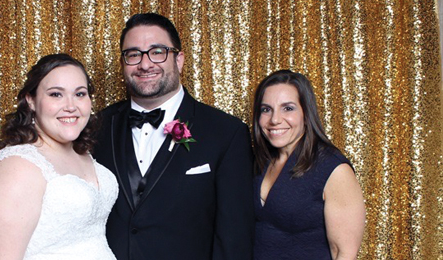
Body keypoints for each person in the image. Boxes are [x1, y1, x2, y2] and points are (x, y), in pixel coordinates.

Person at [93, 13, 254, 260]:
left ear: (178, 60)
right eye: (133, 54)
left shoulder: (226, 133)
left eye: (157, 51)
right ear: (123, 63)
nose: (145, 64)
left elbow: (234, 239)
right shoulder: (96, 127)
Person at [0, 53, 118, 260]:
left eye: (80, 94)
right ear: (31, 101)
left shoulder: (83, 153)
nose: (71, 106)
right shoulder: (16, 166)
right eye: (56, 94)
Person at [251, 70, 365, 259]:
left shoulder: (334, 169)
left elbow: (344, 253)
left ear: (306, 113)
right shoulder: (259, 161)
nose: (275, 119)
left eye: (288, 108)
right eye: (266, 109)